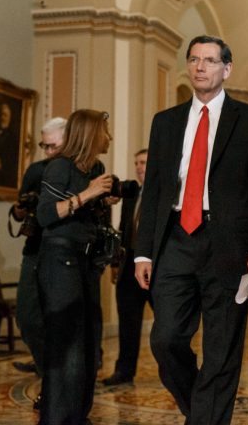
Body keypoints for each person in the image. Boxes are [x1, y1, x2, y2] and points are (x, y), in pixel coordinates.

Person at [134, 35, 248, 424]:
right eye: (194, 60)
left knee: (221, 347)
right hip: (176, 239)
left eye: (210, 61)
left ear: (226, 69)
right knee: (166, 339)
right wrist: (144, 251)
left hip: (229, 245)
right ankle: (203, 411)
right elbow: (156, 189)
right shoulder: (166, 121)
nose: (200, 67)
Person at [36, 109, 115, 424]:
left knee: (87, 347)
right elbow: (45, 215)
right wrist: (89, 194)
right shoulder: (59, 167)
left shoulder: (94, 168)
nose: (109, 137)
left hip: (84, 262)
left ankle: (78, 417)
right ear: (92, 134)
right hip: (60, 261)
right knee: (66, 348)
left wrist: (101, 202)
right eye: (105, 131)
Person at [10, 116, 67, 384]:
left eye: (53, 146)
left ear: (67, 141)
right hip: (34, 249)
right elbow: (20, 213)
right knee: (27, 316)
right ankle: (46, 370)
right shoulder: (35, 170)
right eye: (44, 146)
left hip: (66, 253)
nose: (48, 152)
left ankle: (58, 380)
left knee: (62, 320)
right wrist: (21, 207)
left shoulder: (78, 169)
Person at [103, 149, 151, 385]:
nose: (139, 167)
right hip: (130, 264)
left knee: (170, 325)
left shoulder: (165, 192)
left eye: (143, 162)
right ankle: (124, 371)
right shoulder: (132, 194)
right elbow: (122, 228)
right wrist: (115, 264)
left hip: (157, 267)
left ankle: (175, 369)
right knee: (128, 322)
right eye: (136, 163)